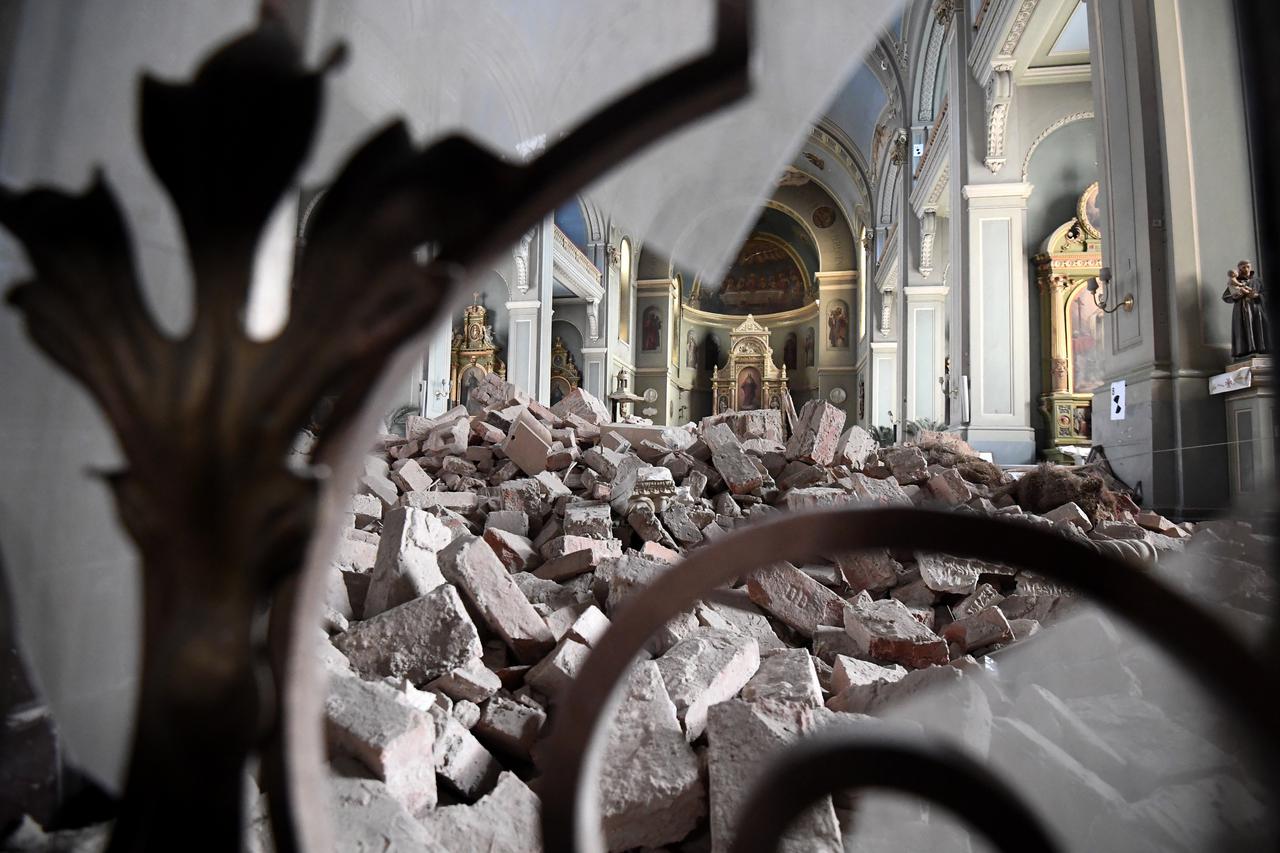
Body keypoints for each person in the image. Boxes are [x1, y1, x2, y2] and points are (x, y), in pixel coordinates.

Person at [1222, 260, 1270, 359]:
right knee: (1243, 329)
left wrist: (1257, 295)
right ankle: (1245, 351)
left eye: (1248, 267)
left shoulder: (1257, 281)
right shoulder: (1235, 281)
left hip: (1256, 308)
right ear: (1239, 269)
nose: (1246, 269)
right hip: (1241, 310)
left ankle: (1260, 348)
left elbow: (1266, 294)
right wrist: (1237, 295)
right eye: (1243, 267)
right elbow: (1225, 297)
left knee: (1258, 327)